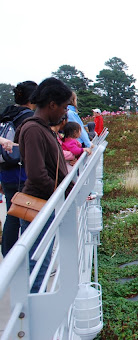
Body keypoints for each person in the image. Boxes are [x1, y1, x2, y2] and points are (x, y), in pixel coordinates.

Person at [16, 77, 71, 293]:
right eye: (64, 107)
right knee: (37, 261)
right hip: (39, 204)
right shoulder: (33, 130)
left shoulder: (41, 128)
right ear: (52, 104)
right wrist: (61, 194)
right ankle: (32, 311)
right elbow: (37, 174)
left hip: (45, 202)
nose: (64, 113)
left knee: (42, 258)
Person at [0, 80, 37, 257]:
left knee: (11, 214)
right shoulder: (28, 117)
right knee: (25, 217)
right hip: (22, 173)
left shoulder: (7, 113)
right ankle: (24, 258)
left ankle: (8, 256)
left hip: (6, 172)